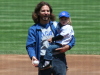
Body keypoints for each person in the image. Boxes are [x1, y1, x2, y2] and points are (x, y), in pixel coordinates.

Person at [26, 1, 75, 75]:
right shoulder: (33, 29)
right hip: (43, 59)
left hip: (58, 58)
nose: (46, 13)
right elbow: (30, 45)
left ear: (50, 13)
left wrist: (68, 46)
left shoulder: (57, 25)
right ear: (38, 13)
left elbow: (71, 37)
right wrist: (33, 56)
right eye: (43, 11)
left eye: (48, 11)